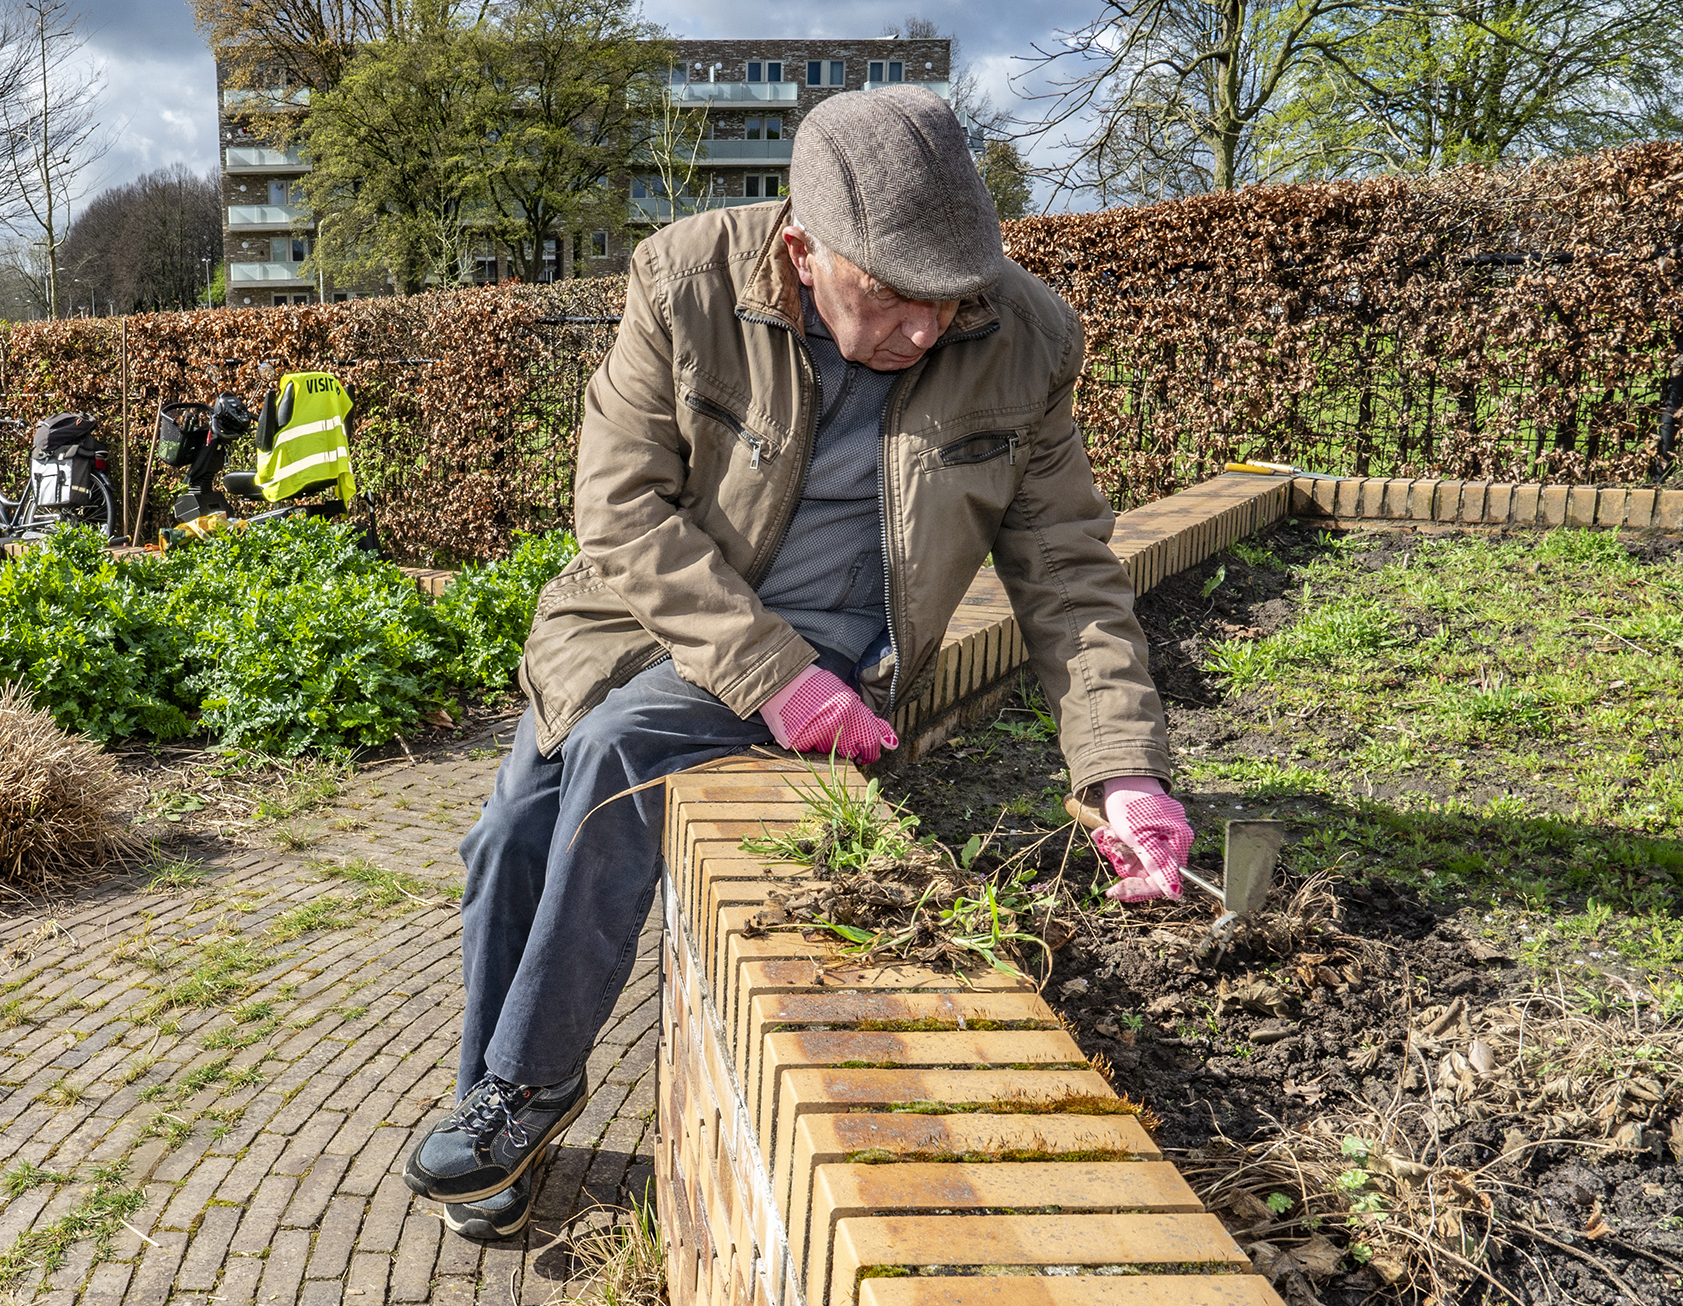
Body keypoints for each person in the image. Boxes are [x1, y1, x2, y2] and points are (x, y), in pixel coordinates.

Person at [403, 88, 1195, 1243]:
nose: (926, 330)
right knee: (510, 828)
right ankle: (500, 1113)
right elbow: (619, 511)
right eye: (891, 298)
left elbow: (1068, 570)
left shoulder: (1026, 336)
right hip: (636, 618)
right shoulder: (685, 278)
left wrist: (1123, 765)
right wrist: (766, 671)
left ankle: (526, 1083)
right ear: (800, 250)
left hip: (834, 641)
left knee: (622, 758)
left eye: (948, 300)